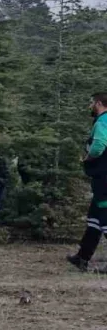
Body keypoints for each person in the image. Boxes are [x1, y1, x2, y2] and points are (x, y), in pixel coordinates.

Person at [68, 93, 107, 271]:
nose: (89, 105)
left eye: (91, 102)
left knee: (104, 217)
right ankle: (82, 257)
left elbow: (99, 145)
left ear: (99, 103)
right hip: (102, 177)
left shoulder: (102, 121)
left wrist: (87, 158)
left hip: (104, 177)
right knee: (94, 217)